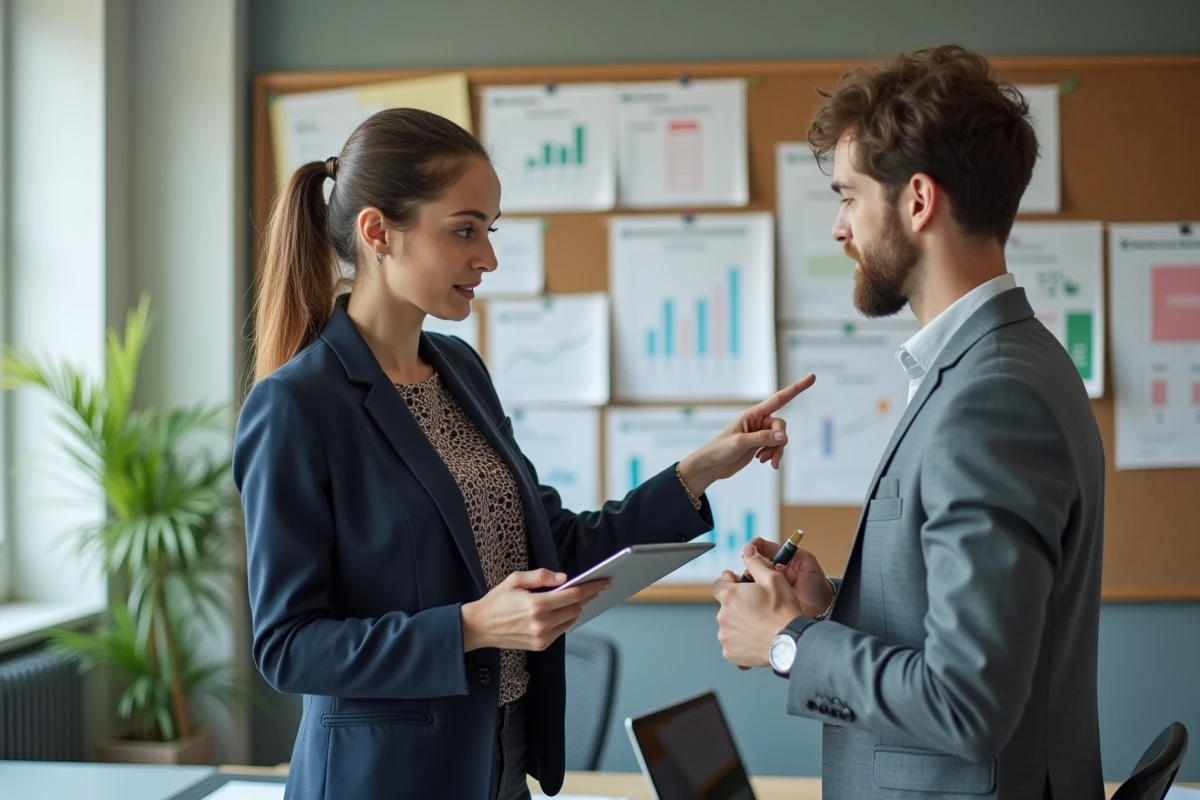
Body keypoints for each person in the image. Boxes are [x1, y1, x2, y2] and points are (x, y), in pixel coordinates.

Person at [233, 107, 814, 800]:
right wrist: (470, 627)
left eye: (491, 230)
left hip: (502, 762)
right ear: (378, 232)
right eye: (465, 230)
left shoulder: (460, 370)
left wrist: (697, 472)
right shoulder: (296, 406)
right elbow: (288, 646)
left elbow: (550, 546)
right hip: (386, 779)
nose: (488, 257)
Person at [712, 45, 1105, 800]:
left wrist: (789, 643)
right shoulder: (1005, 362)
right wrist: (832, 607)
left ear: (918, 200)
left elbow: (969, 701)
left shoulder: (991, 395)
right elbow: (972, 634)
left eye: (849, 196)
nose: (839, 228)